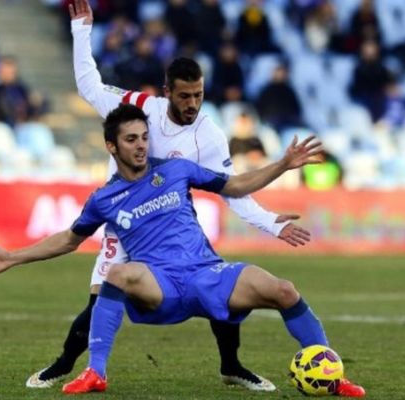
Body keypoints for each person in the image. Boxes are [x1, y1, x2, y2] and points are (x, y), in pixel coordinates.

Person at [0, 104, 365, 398]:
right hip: (161, 282)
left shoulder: (176, 170)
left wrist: (282, 165)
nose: (140, 146)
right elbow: (68, 239)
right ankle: (95, 374)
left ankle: (330, 376)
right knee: (118, 274)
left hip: (207, 272)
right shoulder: (103, 198)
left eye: (143, 137)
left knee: (284, 289)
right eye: (130, 139)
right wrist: (14, 257)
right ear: (112, 146)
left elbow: (236, 185)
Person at [25, 0, 314, 392]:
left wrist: (268, 222)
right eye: (184, 96)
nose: (192, 103)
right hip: (123, 220)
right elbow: (89, 87)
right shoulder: (140, 108)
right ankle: (63, 364)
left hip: (172, 220)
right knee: (99, 301)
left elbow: (229, 188)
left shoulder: (208, 135)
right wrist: (82, 30)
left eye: (198, 95)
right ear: (167, 93)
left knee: (218, 285)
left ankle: (231, 366)